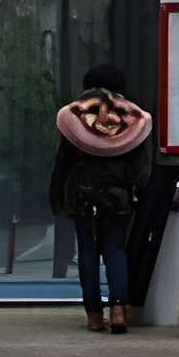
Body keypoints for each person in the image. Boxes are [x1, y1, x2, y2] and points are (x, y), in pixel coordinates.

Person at [51, 65, 153, 334]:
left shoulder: (73, 115)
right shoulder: (133, 117)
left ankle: (94, 316)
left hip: (81, 193)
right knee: (115, 250)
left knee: (87, 253)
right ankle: (118, 310)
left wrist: (57, 194)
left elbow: (63, 162)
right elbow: (142, 168)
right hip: (117, 196)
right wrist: (139, 192)